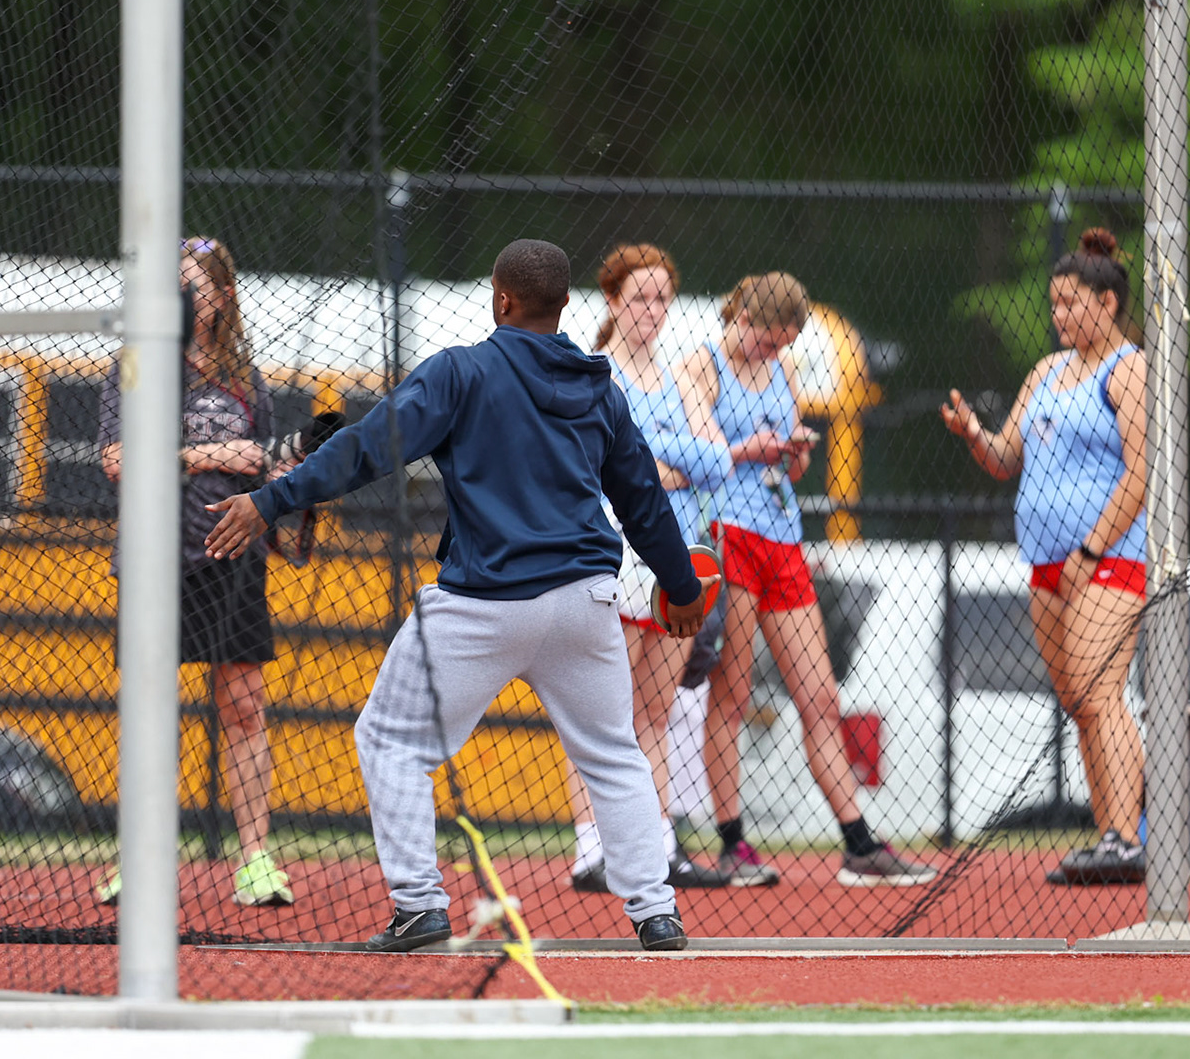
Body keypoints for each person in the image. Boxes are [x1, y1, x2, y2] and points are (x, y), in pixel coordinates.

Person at [203, 239, 708, 953]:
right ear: (565, 306)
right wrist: (683, 588)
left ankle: (420, 908)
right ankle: (656, 913)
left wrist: (272, 500)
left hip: (484, 604)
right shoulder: (600, 385)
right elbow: (644, 503)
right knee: (613, 753)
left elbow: (367, 448)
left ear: (501, 298)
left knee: (390, 740)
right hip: (584, 601)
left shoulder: (463, 370)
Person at [681, 273, 937, 887]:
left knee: (820, 697)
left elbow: (791, 464)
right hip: (730, 537)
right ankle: (732, 844)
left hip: (781, 534)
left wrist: (794, 452)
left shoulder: (784, 371)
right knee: (733, 695)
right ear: (741, 318)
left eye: (782, 344)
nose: (772, 353)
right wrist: (756, 448)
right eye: (766, 340)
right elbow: (706, 447)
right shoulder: (702, 363)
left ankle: (858, 843)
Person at [940, 227, 1148, 885]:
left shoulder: (1130, 369)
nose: (1058, 315)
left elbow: (1141, 476)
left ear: (1107, 303)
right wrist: (975, 435)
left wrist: (1092, 547)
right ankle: (1108, 836)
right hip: (1047, 564)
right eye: (1053, 304)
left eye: (1070, 303)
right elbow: (1006, 458)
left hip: (1107, 559)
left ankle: (1128, 835)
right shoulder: (1047, 372)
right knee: (1077, 701)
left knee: (1100, 691)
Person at [97, 235, 294, 908]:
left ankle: (257, 861)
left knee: (243, 706)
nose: (181, 295)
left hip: (233, 559)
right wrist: (207, 454)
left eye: (194, 284)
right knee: (151, 712)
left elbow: (263, 462)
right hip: (155, 559)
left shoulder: (246, 380)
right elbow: (118, 461)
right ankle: (140, 861)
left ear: (222, 296)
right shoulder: (137, 364)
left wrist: (269, 467)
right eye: (172, 283)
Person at [566, 244, 731, 894]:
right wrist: (659, 467)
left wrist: (650, 461)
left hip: (675, 554)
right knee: (603, 708)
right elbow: (598, 460)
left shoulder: (681, 375)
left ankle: (657, 848)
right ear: (612, 299)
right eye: (640, 297)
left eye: (662, 297)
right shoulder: (595, 373)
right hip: (616, 549)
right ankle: (591, 850)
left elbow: (718, 461)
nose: (653, 310)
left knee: (655, 712)